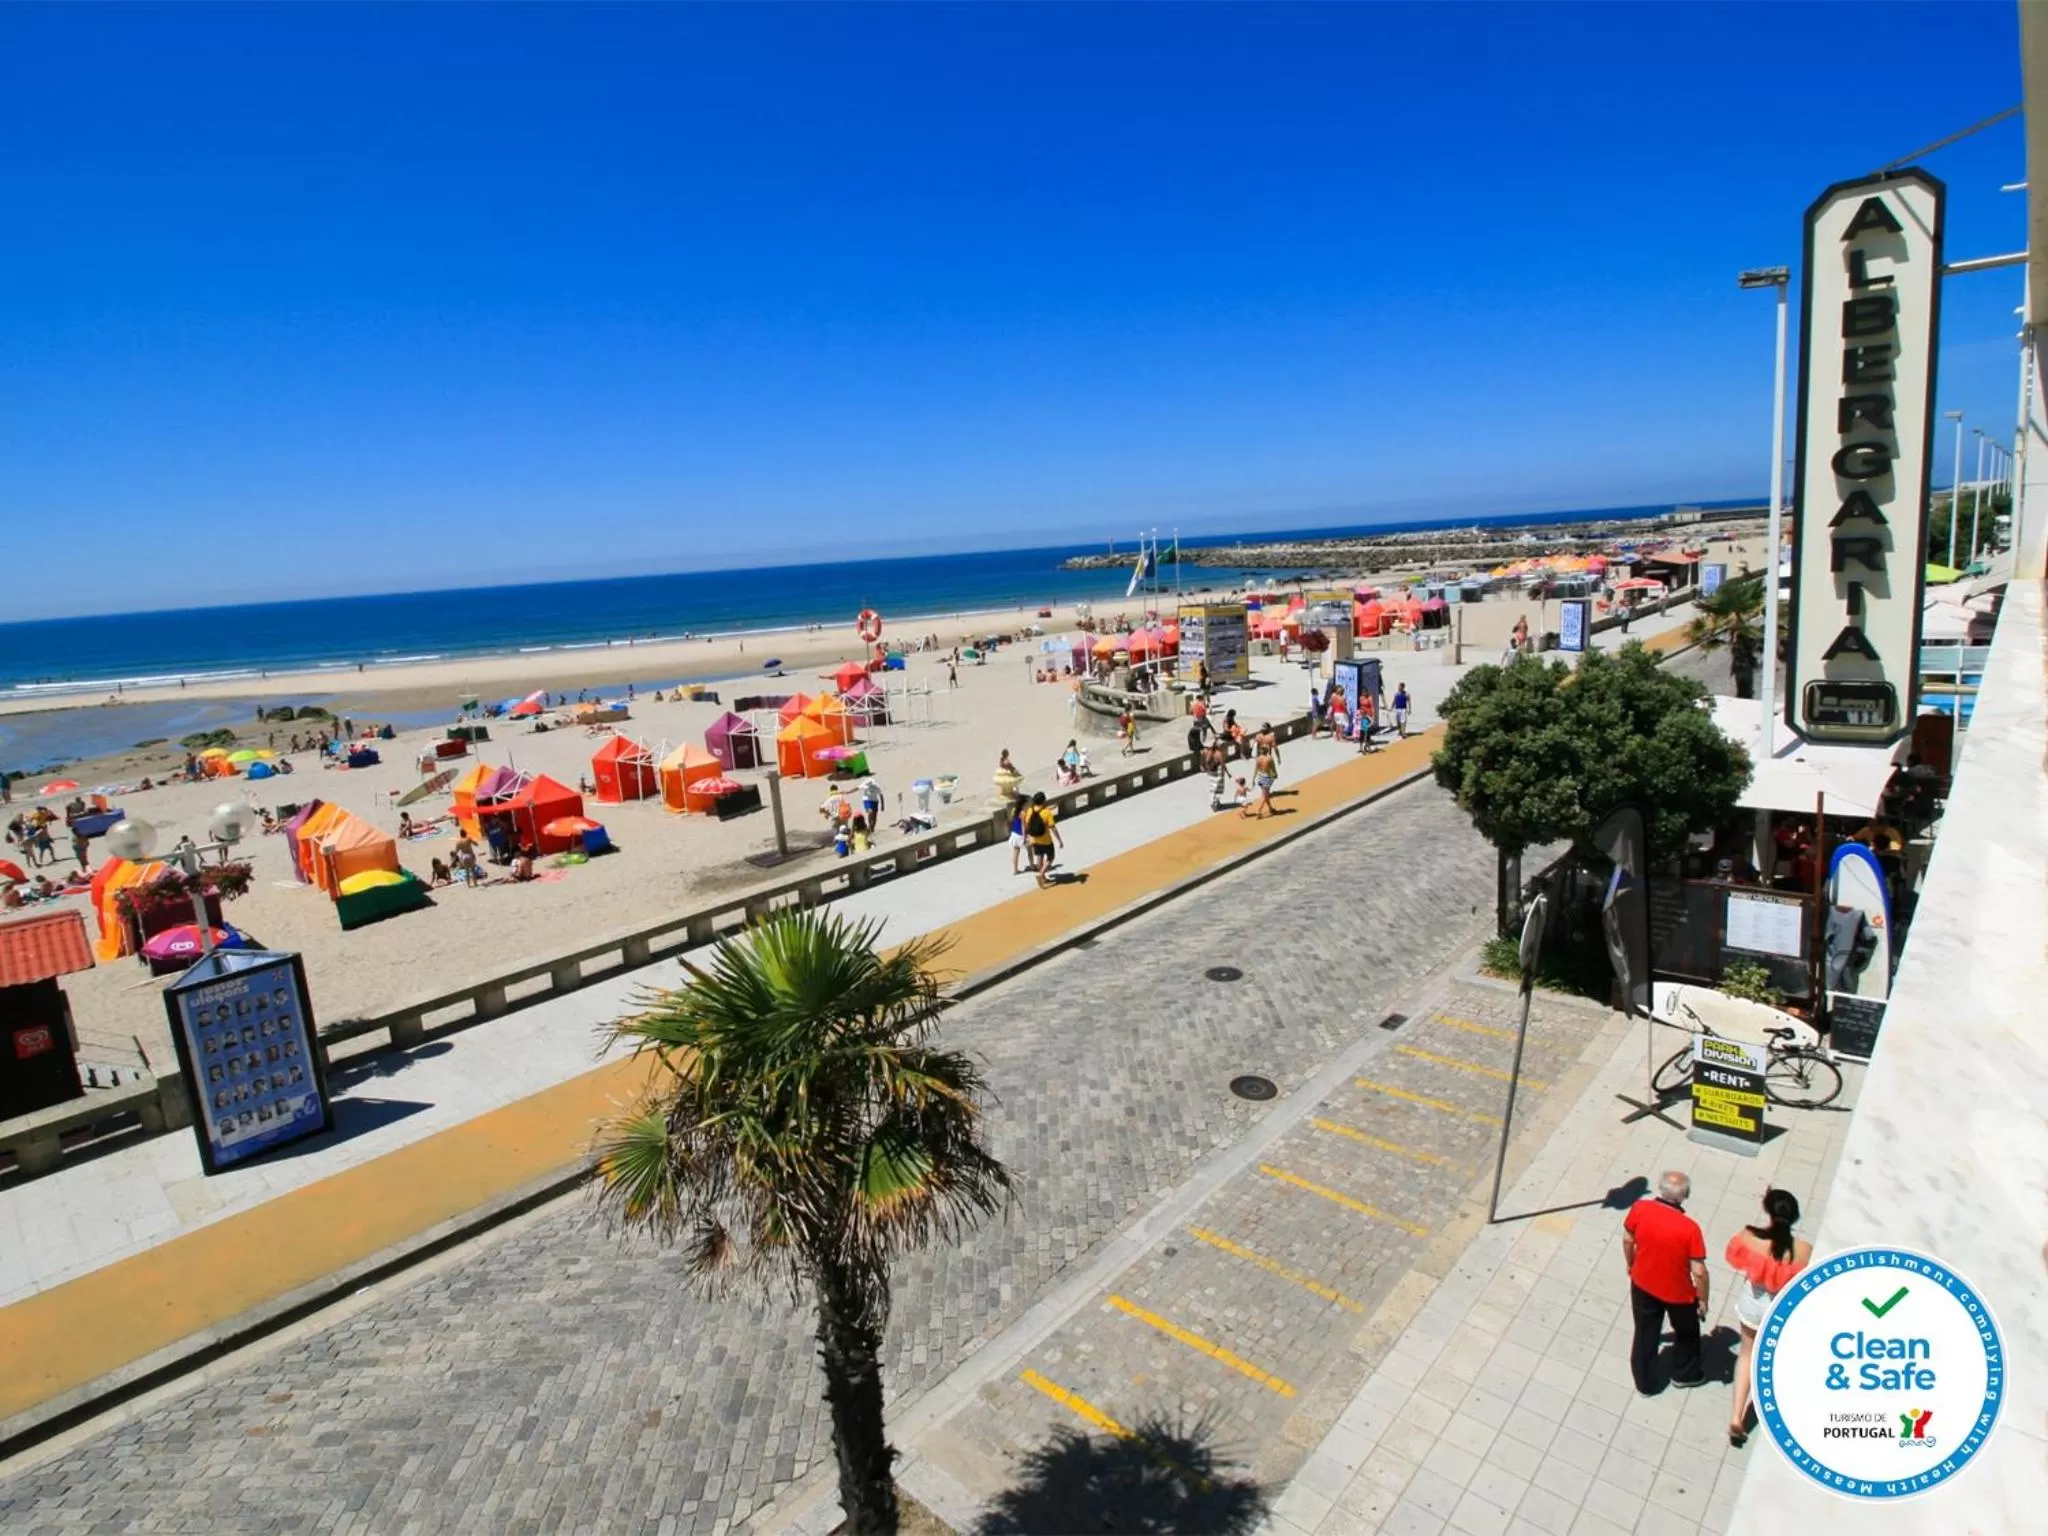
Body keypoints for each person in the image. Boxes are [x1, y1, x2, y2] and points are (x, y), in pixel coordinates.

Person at [1725, 1189, 1812, 1447]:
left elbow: (1733, 1256)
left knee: (1746, 1353)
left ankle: (1736, 1416)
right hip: (1777, 1310)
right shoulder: (1804, 1250)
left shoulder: (1750, 1236)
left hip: (1752, 1305)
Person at [1623, 1171, 1709, 1395]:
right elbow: (1698, 1271)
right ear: (1684, 1196)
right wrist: (1703, 1299)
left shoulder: (1640, 1208)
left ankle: (1645, 1384)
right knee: (1688, 1332)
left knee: (1645, 1333)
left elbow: (1628, 1238)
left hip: (1642, 1283)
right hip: (1678, 1293)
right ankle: (1685, 1374)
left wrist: (1631, 1263)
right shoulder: (1690, 1228)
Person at [1025, 791, 1062, 885]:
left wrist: (1026, 836)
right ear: (1043, 801)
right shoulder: (1047, 813)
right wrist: (1059, 840)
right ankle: (1041, 874)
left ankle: (1043, 879)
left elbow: (1026, 824)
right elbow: (1052, 827)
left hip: (1035, 839)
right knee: (1051, 857)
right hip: (1046, 840)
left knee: (1039, 856)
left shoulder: (1030, 810)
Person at [1007, 794, 1029, 875]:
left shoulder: (1014, 810)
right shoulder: (1023, 813)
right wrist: (1024, 836)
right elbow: (1023, 825)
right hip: (1019, 834)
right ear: (1023, 804)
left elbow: (1012, 821)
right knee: (1030, 848)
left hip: (1014, 833)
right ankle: (1033, 864)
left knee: (1015, 852)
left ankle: (1015, 870)